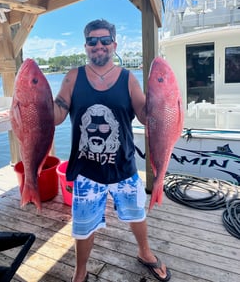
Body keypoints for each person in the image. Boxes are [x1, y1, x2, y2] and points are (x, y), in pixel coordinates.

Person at [54, 19, 171, 282]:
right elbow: (57, 114)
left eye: (105, 40)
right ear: (85, 46)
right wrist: (28, 106)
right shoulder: (73, 77)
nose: (99, 46)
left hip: (124, 166)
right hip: (87, 169)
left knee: (136, 213)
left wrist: (165, 101)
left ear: (114, 44)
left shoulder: (128, 79)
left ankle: (145, 253)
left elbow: (144, 115)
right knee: (83, 226)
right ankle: (80, 271)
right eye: (92, 41)